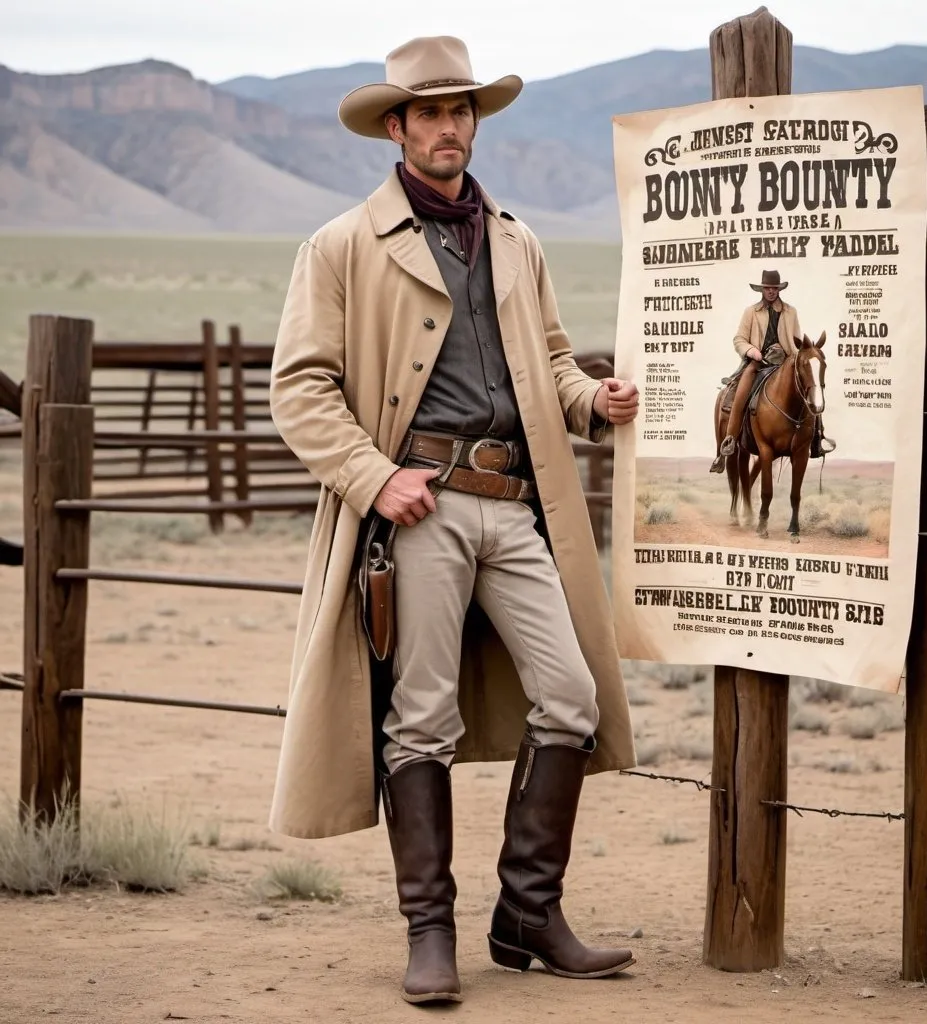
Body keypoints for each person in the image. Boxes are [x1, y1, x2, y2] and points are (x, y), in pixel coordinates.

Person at [267, 35, 640, 1006]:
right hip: (418, 507)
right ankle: (429, 932)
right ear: (395, 129)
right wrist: (371, 475)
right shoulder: (343, 243)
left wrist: (591, 399)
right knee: (419, 717)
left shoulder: (517, 238)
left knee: (573, 696)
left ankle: (527, 915)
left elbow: (551, 360)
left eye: (461, 111)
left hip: (516, 507)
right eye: (429, 113)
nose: (448, 128)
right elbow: (300, 388)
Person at [710, 269, 835, 472]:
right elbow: (739, 339)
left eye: (774, 288)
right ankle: (730, 441)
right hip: (759, 361)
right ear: (762, 289)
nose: (771, 291)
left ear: (779, 289)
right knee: (742, 389)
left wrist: (801, 358)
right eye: (767, 288)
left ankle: (817, 438)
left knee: (811, 387)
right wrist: (752, 351)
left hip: (785, 362)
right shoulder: (751, 312)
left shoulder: (790, 312)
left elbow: (795, 343)